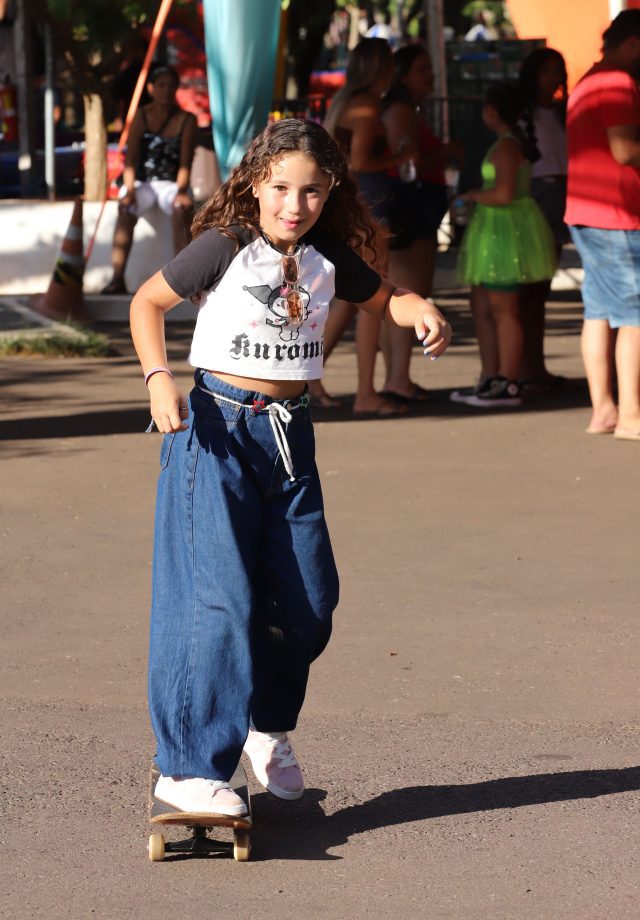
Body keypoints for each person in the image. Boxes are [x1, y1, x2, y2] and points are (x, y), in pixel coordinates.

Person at [129, 118, 451, 817]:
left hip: (287, 439)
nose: (293, 204)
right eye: (280, 188)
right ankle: (187, 769)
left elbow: (382, 297)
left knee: (308, 602)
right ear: (253, 183)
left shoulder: (327, 254)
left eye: (311, 190)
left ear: (331, 190)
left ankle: (264, 726)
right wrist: (159, 377)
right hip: (215, 432)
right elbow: (147, 301)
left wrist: (414, 304)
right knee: (216, 603)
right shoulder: (227, 245)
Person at [316, 37, 416, 415]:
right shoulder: (366, 106)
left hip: (351, 205)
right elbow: (359, 161)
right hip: (365, 205)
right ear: (382, 69)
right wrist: (401, 155)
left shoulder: (345, 101)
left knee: (351, 297)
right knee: (372, 297)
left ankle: (309, 376)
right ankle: (364, 393)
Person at [451, 83, 556, 408]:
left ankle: (508, 381)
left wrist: (469, 196)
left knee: (504, 310)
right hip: (495, 230)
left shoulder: (507, 146)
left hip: (505, 230)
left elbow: (504, 194)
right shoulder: (505, 144)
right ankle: (491, 376)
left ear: (492, 111)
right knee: (484, 307)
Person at [565, 10, 640, 440]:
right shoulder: (617, 81)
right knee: (633, 314)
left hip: (587, 211)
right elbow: (626, 149)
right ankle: (630, 413)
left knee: (598, 311)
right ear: (632, 44)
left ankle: (604, 410)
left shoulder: (589, 79)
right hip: (617, 212)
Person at [380, 43, 464, 403]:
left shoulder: (407, 108)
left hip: (412, 206)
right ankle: (398, 377)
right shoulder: (400, 110)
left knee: (404, 290)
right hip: (409, 208)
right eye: (422, 69)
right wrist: (443, 152)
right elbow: (407, 163)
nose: (430, 75)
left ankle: (398, 376)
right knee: (407, 292)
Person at [101, 66, 198, 295]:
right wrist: (130, 189)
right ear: (151, 88)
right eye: (161, 85)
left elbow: (186, 160)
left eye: (171, 85)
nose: (166, 90)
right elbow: (131, 157)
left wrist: (182, 190)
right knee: (125, 210)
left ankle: (181, 282)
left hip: (172, 183)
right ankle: (117, 278)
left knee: (181, 209)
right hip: (142, 182)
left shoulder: (186, 119)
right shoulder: (141, 116)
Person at [518, 47, 569, 390]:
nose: (554, 77)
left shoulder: (563, 112)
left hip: (562, 193)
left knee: (543, 286)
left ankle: (536, 366)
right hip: (537, 194)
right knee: (529, 288)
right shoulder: (525, 113)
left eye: (558, 70)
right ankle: (523, 367)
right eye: (546, 70)